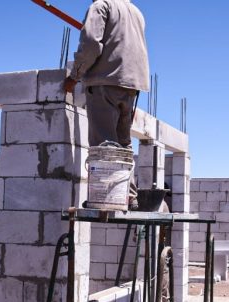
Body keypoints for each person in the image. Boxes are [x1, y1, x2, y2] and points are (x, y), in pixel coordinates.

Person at [64, 0, 150, 209]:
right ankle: (129, 196)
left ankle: (105, 199)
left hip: (105, 81)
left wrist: (75, 75)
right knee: (123, 143)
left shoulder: (102, 6)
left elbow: (91, 44)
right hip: (131, 84)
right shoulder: (136, 12)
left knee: (103, 143)